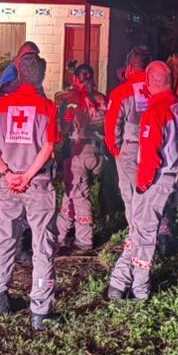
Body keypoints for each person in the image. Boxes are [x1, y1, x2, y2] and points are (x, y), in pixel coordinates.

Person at [0, 53, 59, 331]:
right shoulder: (47, 107)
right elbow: (49, 146)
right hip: (37, 183)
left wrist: (7, 172)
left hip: (9, 183)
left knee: (3, 237)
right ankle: (40, 311)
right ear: (41, 76)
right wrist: (28, 175)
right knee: (42, 244)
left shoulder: (1, 106)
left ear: (20, 75)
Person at [107, 61, 178, 302]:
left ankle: (140, 292)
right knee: (138, 230)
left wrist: (142, 186)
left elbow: (149, 158)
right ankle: (117, 283)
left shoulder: (155, 112)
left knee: (143, 237)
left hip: (157, 182)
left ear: (148, 82)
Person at [53, 63, 107, 253]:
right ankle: (59, 234)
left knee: (79, 195)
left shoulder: (71, 100)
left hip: (77, 151)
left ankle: (84, 239)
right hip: (98, 152)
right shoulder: (101, 98)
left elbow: (65, 126)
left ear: (76, 79)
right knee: (72, 194)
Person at [105, 46, 153, 222]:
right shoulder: (156, 87)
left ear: (130, 67)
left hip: (129, 148)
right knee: (151, 189)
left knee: (130, 191)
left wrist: (115, 148)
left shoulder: (121, 92)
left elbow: (111, 124)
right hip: (154, 148)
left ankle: (135, 233)